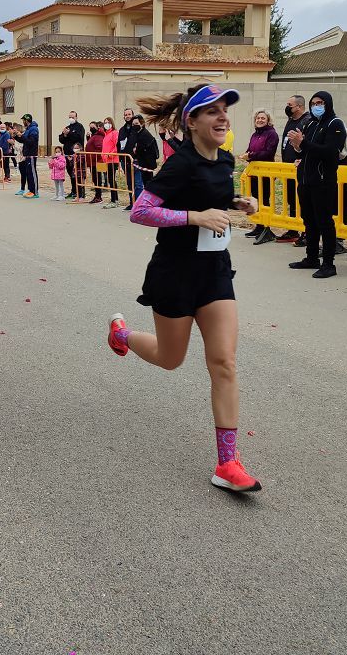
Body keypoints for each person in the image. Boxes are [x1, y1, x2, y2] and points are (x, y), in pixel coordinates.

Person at [108, 84, 261, 492]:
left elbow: (217, 199)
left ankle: (228, 464)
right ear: (191, 121)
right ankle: (122, 333)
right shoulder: (180, 164)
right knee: (170, 358)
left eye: (225, 110)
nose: (222, 117)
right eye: (212, 111)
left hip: (214, 272)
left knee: (224, 363)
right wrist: (194, 217)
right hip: (174, 274)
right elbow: (141, 211)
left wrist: (239, 203)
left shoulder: (225, 159)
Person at [287, 91, 346, 278]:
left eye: (320, 103)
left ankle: (329, 264)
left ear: (328, 104)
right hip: (305, 181)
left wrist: (303, 144)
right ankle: (311, 257)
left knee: (324, 223)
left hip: (323, 182)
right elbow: (304, 152)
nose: (316, 106)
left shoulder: (335, 124)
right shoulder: (311, 123)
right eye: (313, 103)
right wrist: (297, 147)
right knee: (309, 221)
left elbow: (330, 152)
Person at [241, 109, 279, 244]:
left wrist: (251, 156)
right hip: (255, 173)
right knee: (256, 199)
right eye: (258, 118)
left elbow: (268, 153)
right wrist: (246, 154)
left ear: (268, 120)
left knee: (264, 200)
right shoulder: (254, 135)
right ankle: (259, 226)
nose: (260, 120)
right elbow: (250, 149)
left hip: (266, 173)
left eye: (263, 118)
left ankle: (266, 228)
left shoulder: (272, 134)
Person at [277, 95, 310, 244]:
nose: (287, 107)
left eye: (290, 105)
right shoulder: (291, 120)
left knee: (303, 201)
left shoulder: (307, 121)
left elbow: (307, 144)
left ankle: (306, 231)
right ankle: (292, 229)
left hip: (301, 169)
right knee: (291, 200)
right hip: (288, 168)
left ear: (299, 107)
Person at [129, 114, 158, 207]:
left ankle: (151, 203)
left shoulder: (144, 134)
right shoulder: (139, 133)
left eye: (136, 123)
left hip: (147, 163)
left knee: (148, 183)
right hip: (144, 163)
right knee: (146, 183)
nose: (134, 126)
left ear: (142, 123)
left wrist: (135, 150)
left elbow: (141, 148)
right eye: (133, 124)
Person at [59, 111, 85, 199]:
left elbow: (78, 138)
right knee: (71, 174)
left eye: (73, 117)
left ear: (76, 118)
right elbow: (61, 139)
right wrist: (64, 135)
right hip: (67, 155)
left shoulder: (79, 127)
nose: (71, 119)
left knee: (78, 174)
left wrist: (69, 133)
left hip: (76, 155)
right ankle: (73, 191)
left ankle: (80, 193)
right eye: (69, 117)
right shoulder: (67, 127)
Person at [15, 113, 39, 198]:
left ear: (26, 120)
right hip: (27, 154)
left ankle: (35, 192)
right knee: (29, 173)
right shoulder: (28, 129)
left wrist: (22, 136)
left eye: (23, 120)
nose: (23, 122)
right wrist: (16, 136)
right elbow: (23, 140)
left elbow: (31, 142)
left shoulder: (33, 129)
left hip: (31, 154)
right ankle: (30, 190)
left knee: (32, 173)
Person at [116, 108, 136, 205]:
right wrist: (120, 158)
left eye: (129, 114)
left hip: (135, 159)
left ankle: (137, 203)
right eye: (126, 115)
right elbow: (118, 144)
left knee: (138, 183)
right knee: (129, 182)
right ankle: (131, 202)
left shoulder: (136, 128)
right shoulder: (122, 130)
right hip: (124, 159)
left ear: (133, 115)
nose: (127, 116)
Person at [101, 116, 119, 208]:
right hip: (107, 160)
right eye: (105, 122)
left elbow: (117, 146)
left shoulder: (114, 133)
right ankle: (114, 199)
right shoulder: (106, 135)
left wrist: (110, 154)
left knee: (112, 180)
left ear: (111, 123)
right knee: (110, 180)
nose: (106, 124)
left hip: (113, 160)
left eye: (108, 122)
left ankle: (114, 200)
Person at [85, 122, 104, 204]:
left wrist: (91, 156)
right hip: (92, 161)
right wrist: (88, 138)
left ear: (97, 127)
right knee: (95, 179)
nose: (91, 128)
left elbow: (99, 148)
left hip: (97, 161)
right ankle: (97, 195)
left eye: (93, 127)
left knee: (97, 179)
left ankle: (98, 196)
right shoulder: (94, 136)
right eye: (90, 127)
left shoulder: (98, 136)